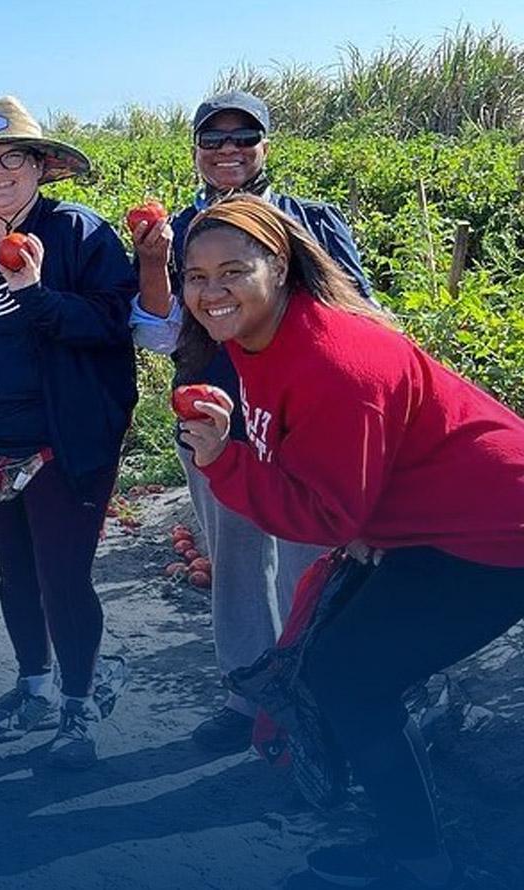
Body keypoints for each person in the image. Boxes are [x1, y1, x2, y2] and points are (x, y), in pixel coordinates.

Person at [179, 195, 524, 890]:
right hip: (435, 520)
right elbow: (332, 473)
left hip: (498, 529)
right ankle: (409, 840)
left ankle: (423, 862)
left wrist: (224, 461)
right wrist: (367, 526)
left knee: (348, 675)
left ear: (279, 266)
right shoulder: (257, 337)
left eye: (232, 271)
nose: (210, 292)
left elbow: (322, 515)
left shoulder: (334, 361)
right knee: (343, 670)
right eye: (195, 274)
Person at [127, 90, 374, 753]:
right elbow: (158, 336)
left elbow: (361, 320)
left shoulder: (310, 223)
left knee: (308, 564)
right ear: (197, 152)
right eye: (214, 140)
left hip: (304, 426)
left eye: (244, 138)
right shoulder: (175, 233)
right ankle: (247, 697)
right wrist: (154, 263)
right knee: (235, 564)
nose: (229, 151)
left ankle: (315, 701)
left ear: (266, 146)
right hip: (214, 421)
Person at [0, 96, 137, 769]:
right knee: (14, 571)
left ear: (41, 167)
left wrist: (36, 293)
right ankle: (33, 685)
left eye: (15, 157)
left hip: (61, 442)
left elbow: (110, 324)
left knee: (63, 576)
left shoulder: (79, 236)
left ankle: (78, 701)